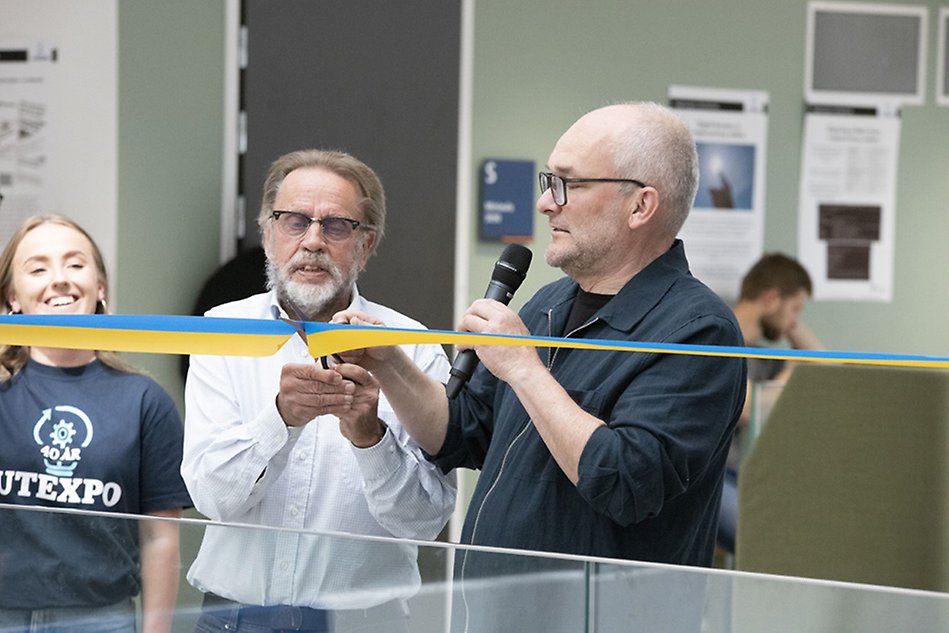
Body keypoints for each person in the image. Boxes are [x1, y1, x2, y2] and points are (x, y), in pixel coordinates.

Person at [333, 102, 746, 628]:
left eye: (566, 184)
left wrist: (526, 369)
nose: (545, 203)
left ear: (640, 205)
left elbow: (623, 481)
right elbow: (462, 433)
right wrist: (389, 364)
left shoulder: (699, 331)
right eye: (550, 181)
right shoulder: (547, 304)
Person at [181, 149, 456, 633]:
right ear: (268, 234)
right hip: (233, 619)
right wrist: (279, 420)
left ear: (365, 245)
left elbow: (425, 521)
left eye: (335, 226)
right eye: (294, 222)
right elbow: (211, 496)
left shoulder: (410, 345)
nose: (312, 242)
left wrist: (370, 438)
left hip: (364, 624)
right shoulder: (221, 329)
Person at [0, 214, 192, 633]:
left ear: (100, 287)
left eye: (75, 264)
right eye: (38, 268)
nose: (59, 279)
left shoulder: (145, 402)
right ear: (13, 296)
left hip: (103, 620)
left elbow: (160, 541)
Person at [717, 252, 823, 554]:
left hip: (739, 474)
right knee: (769, 548)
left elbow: (828, 368)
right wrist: (795, 365)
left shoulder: (760, 356)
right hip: (708, 478)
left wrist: (793, 328)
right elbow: (751, 409)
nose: (794, 321)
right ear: (771, 298)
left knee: (802, 532)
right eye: (795, 309)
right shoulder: (718, 338)